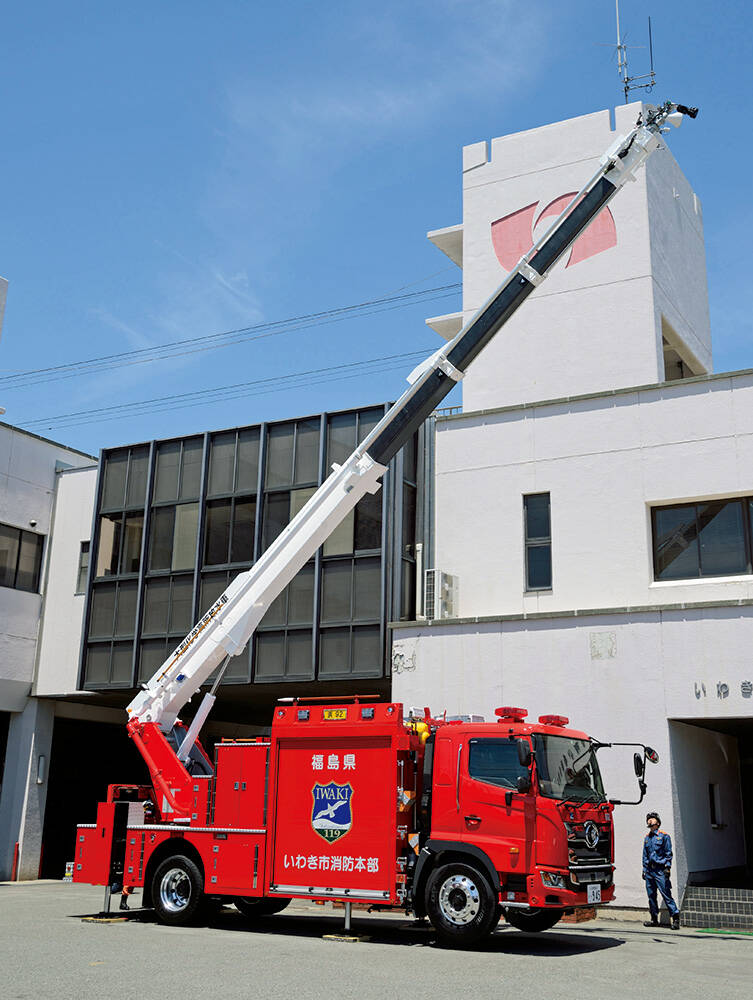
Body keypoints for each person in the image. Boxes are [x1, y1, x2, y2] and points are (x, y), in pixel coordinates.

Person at [642, 811, 680, 929]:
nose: (649, 820)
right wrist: (644, 869)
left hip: (660, 870)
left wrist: (667, 868)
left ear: (657, 822)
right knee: (651, 895)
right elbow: (645, 855)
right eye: (648, 819)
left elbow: (669, 853)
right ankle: (654, 919)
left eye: (652, 819)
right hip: (649, 871)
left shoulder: (664, 836)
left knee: (666, 894)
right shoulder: (647, 838)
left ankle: (675, 918)